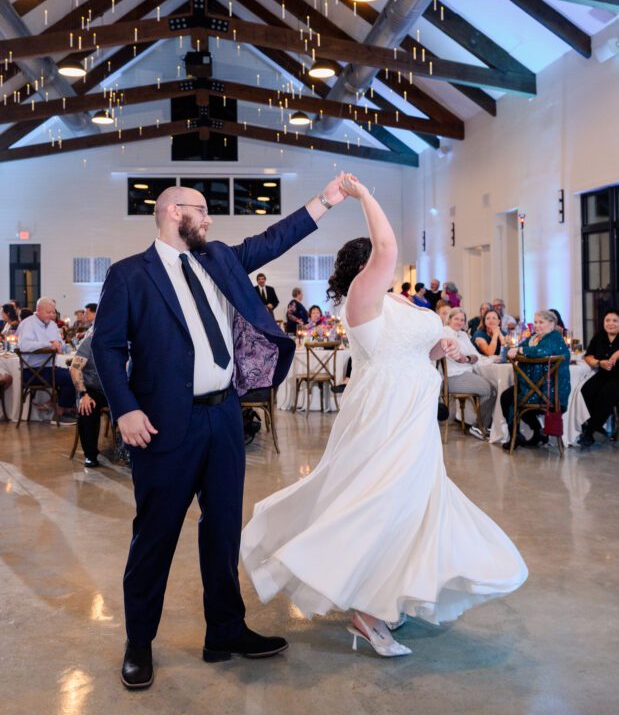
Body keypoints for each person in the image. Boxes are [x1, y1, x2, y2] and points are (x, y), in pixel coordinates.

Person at [241, 175, 527, 658]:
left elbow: (413, 348)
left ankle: (384, 597)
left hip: (415, 407)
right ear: (366, 265)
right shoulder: (362, 294)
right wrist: (363, 195)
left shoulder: (396, 302)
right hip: (386, 409)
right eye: (378, 259)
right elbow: (388, 248)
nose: (387, 263)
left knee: (411, 504)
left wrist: (441, 347)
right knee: (384, 502)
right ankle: (368, 612)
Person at [91, 175, 349, 689]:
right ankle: (139, 642)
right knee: (155, 535)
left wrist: (325, 201)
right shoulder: (129, 274)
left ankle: (225, 631)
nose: (208, 219)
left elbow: (274, 239)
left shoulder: (220, 259)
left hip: (225, 416)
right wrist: (125, 409)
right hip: (165, 424)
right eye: (201, 210)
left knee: (224, 530)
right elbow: (106, 346)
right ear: (172, 212)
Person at [501, 309, 570, 450]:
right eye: (536, 322)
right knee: (507, 396)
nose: (537, 325)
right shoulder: (534, 338)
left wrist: (520, 351)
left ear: (552, 324)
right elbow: (520, 347)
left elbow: (541, 352)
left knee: (511, 398)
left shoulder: (554, 337)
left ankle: (520, 435)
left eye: (541, 322)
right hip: (533, 387)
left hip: (550, 391)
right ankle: (531, 432)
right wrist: (518, 349)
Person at [17, 298, 76, 420]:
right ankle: (62, 412)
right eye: (48, 312)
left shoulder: (53, 325)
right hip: (32, 371)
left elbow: (60, 342)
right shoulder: (27, 324)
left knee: (75, 373)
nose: (52, 315)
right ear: (38, 310)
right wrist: (48, 344)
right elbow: (24, 346)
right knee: (70, 377)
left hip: (49, 368)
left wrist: (59, 345)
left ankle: (61, 407)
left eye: (53, 312)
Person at [443, 308, 496, 438]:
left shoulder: (463, 335)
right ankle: (479, 426)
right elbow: (458, 358)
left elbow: (475, 356)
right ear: (449, 319)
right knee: (490, 390)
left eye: (462, 320)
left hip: (465, 373)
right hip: (452, 377)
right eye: (456, 319)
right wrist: (468, 359)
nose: (459, 322)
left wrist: (468, 358)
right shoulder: (445, 334)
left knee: (493, 387)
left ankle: (483, 425)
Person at [68, 327, 109, 468]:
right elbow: (75, 368)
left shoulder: (125, 341)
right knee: (87, 406)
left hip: (118, 389)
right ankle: (90, 455)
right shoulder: (90, 342)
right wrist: (83, 394)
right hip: (93, 389)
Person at [579, 310, 619, 446]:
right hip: (603, 373)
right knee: (585, 391)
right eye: (607, 320)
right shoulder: (600, 336)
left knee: (606, 394)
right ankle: (595, 424)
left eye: (615, 320)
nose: (610, 323)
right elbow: (588, 356)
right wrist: (599, 362)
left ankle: (589, 432)